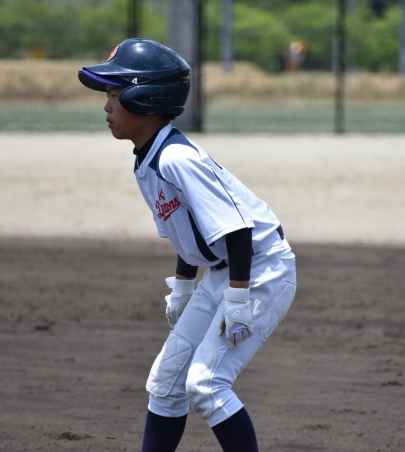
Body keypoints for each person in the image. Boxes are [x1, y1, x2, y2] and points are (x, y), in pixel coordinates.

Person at [78, 38, 297, 452]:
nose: (106, 106)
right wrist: (182, 286)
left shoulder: (176, 158)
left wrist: (237, 299)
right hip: (227, 270)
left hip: (260, 269)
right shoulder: (149, 157)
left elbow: (237, 229)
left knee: (206, 384)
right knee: (167, 381)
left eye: (115, 95)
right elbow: (189, 230)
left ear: (147, 97)